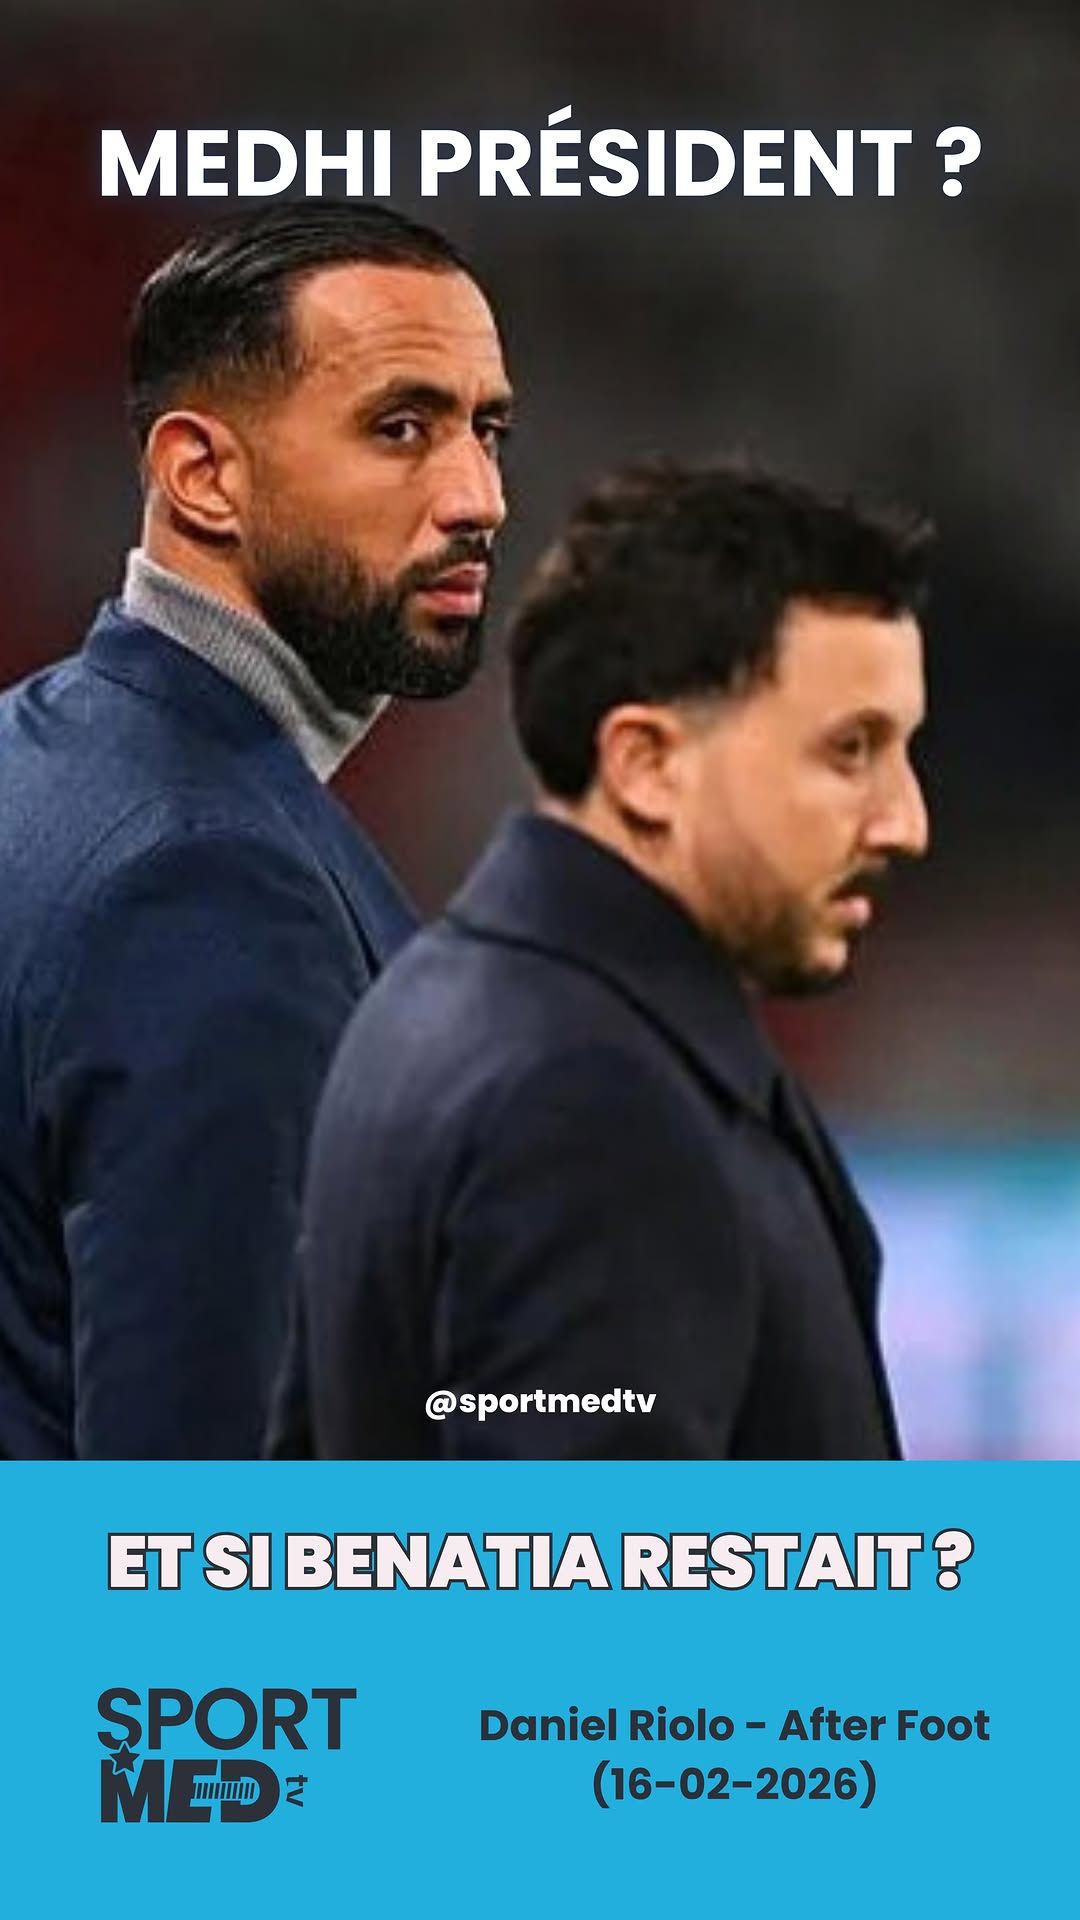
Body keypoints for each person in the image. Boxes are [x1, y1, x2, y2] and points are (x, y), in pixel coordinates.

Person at [0, 199, 511, 1458]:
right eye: (402, 428)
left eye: (487, 430)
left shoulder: (34, 757)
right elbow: (220, 1525)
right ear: (202, 475)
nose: (479, 497)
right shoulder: (207, 883)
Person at [298, 461, 931, 1460]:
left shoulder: (431, 1001)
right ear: (646, 765)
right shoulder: (591, 1099)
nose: (906, 822)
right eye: (851, 750)